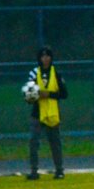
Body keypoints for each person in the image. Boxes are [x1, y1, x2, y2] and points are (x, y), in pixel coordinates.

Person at [25, 46, 69, 180]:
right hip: (37, 113)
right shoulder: (34, 73)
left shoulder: (56, 73)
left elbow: (64, 93)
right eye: (43, 56)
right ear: (39, 58)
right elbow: (28, 96)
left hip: (52, 112)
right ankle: (34, 171)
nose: (45, 59)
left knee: (55, 143)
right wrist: (36, 95)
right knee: (33, 142)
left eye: (48, 56)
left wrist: (49, 94)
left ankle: (59, 170)